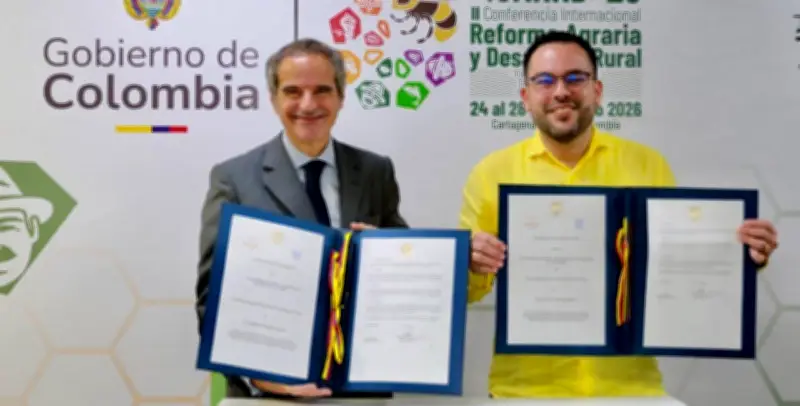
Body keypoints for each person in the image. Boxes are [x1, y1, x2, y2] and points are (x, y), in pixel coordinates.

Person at [460, 30, 780, 398]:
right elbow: (467, 293)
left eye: (575, 78)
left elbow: (676, 268)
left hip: (631, 390)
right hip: (524, 392)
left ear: (597, 91)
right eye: (545, 81)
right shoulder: (491, 174)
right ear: (526, 98)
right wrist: (470, 262)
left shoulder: (647, 165)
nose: (561, 91)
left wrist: (738, 258)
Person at [194, 38, 408, 400]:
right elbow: (211, 294)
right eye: (293, 91)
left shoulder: (376, 171)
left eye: (322, 90)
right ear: (274, 98)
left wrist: (384, 254)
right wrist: (258, 379)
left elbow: (401, 273)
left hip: (360, 384)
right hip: (273, 389)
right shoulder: (234, 178)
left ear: (340, 97)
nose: (308, 105)